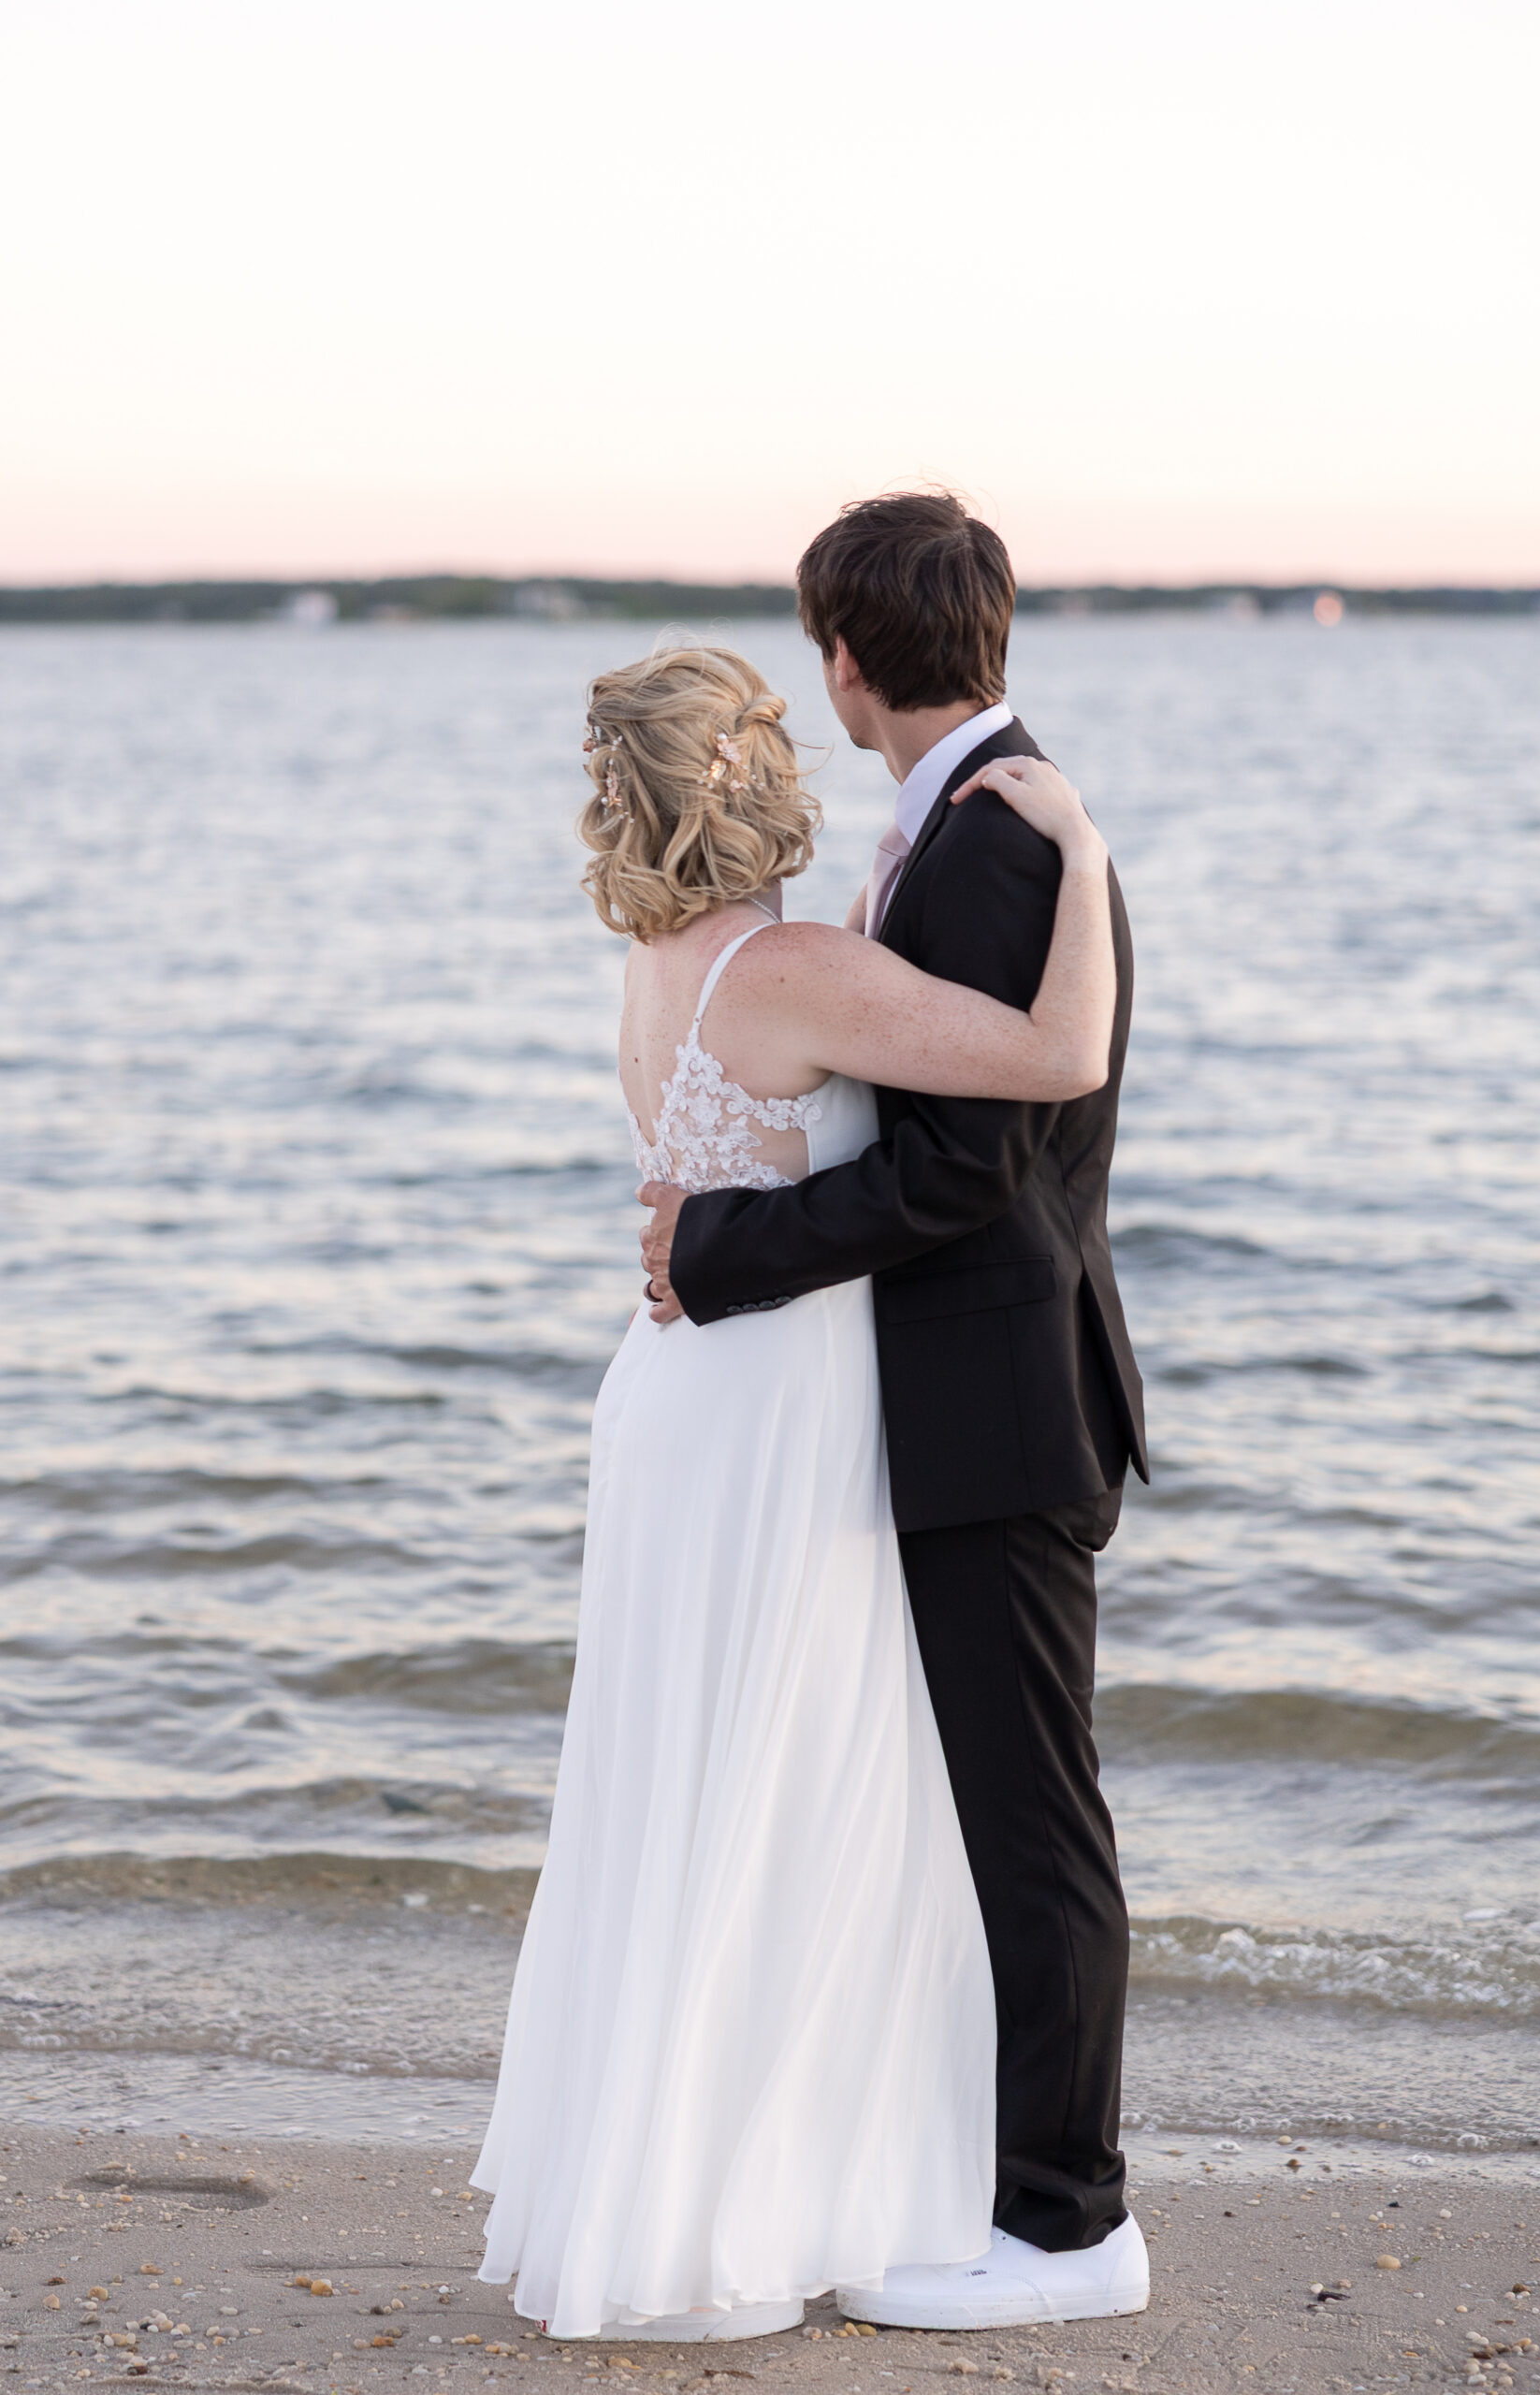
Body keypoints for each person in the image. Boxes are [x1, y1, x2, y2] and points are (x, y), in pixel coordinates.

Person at [472, 632, 1141, 2342]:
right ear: (754, 772)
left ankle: (677, 2188)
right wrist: (1076, 851)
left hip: (681, 1404)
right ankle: (803, 2190)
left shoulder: (662, 965)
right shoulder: (796, 972)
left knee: (684, 1786)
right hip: (776, 1415)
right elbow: (1060, 1055)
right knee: (793, 1779)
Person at [641, 494, 1150, 2332]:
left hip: (998, 1402)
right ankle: (1006, 2187)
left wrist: (721, 1244)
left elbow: (963, 1171)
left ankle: (1069, 2223)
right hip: (966, 1398)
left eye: (818, 644)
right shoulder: (981, 822)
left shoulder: (998, 844)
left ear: (847, 655)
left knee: (1029, 1822)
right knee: (992, 1816)